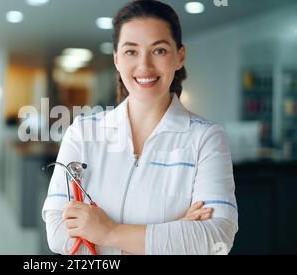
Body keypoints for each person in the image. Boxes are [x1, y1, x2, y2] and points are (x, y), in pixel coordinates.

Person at [42, 0, 238, 255]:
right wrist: (175, 231)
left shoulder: (206, 138)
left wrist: (109, 232)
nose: (144, 66)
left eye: (159, 50)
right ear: (116, 59)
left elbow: (216, 240)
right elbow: (58, 236)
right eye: (131, 51)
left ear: (180, 56)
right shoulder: (83, 132)